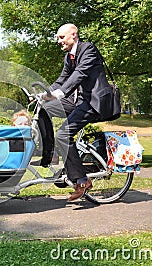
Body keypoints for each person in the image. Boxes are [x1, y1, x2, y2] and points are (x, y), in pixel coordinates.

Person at [32, 23, 118, 201]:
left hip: (94, 103)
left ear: (73, 35)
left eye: (61, 37)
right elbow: (62, 80)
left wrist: (59, 94)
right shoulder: (68, 57)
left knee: (63, 134)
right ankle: (49, 154)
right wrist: (45, 94)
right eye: (57, 38)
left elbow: (79, 74)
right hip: (79, 102)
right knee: (44, 108)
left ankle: (82, 180)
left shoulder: (88, 49)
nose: (59, 41)